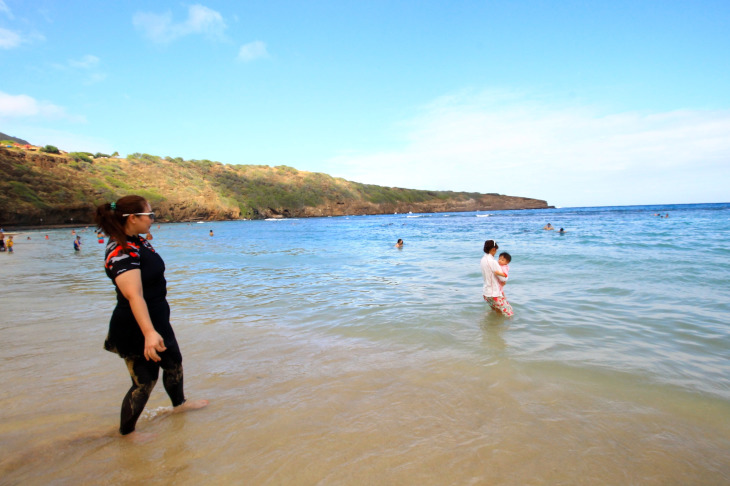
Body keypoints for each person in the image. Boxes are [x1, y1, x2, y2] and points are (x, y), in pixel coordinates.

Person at [94, 195, 208, 438]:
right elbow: (133, 295)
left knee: (173, 362)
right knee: (144, 381)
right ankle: (126, 434)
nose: (153, 220)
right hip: (135, 325)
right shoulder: (120, 249)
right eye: (150, 215)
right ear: (132, 218)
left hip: (156, 320)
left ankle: (179, 405)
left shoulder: (137, 242)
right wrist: (148, 333)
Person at [481, 239, 513, 317]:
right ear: (494, 249)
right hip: (494, 294)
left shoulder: (483, 259)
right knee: (509, 313)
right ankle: (509, 328)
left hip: (486, 293)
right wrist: (505, 280)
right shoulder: (493, 262)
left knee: (497, 312)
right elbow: (503, 279)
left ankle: (493, 327)